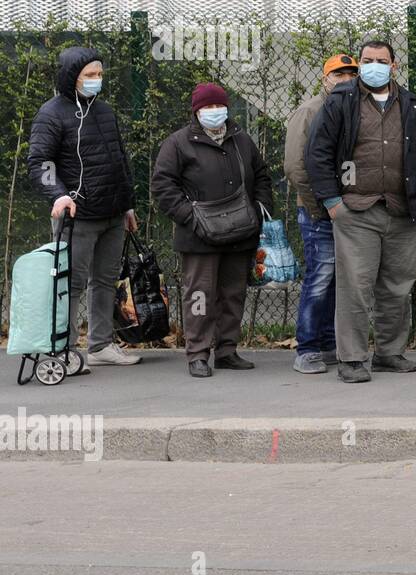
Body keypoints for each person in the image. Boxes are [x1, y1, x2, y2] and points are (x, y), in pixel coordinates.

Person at [304, 40, 416, 383]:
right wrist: (333, 202)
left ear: (394, 66)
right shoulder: (341, 101)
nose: (374, 65)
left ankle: (389, 352)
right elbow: (317, 154)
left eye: (382, 60)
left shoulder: (413, 106)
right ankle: (351, 359)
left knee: (397, 286)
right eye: (368, 60)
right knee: (355, 287)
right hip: (355, 211)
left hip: (404, 211)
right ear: (360, 63)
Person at [26, 46, 142, 368]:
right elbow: (40, 162)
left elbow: (119, 160)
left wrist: (128, 206)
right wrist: (58, 195)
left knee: (105, 281)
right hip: (78, 216)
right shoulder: (51, 113)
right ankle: (62, 350)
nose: (96, 80)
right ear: (71, 77)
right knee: (69, 283)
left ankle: (101, 345)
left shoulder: (104, 111)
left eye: (99, 74)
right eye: (89, 75)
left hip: (113, 214)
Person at [151, 83, 273, 377]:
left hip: (240, 233)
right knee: (200, 296)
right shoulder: (178, 143)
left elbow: (262, 176)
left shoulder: (241, 140)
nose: (215, 112)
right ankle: (198, 353)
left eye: (219, 106)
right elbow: (163, 186)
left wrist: (257, 211)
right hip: (198, 237)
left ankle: (227, 350)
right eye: (208, 107)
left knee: (233, 293)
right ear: (196, 111)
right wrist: (190, 218)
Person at [284, 53, 358, 374]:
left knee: (337, 279)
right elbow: (295, 166)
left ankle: (328, 342)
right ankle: (308, 347)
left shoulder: (357, 110)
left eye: (350, 73)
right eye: (338, 74)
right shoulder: (310, 111)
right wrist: (319, 207)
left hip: (348, 212)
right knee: (320, 277)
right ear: (324, 79)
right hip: (318, 212)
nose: (344, 79)